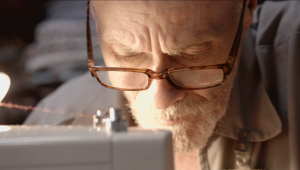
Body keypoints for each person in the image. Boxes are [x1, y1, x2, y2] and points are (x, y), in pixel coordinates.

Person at [25, 0, 300, 169]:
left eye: (191, 55)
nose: (160, 99)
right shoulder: (60, 121)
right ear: (95, 20)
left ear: (247, 8)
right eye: (128, 55)